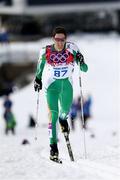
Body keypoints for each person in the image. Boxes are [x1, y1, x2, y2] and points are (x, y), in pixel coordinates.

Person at [34, 26, 88, 162]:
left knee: (64, 113)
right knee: (53, 115)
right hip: (51, 86)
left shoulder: (72, 49)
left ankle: (64, 120)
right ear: (53, 39)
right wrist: (38, 80)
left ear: (66, 39)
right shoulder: (45, 51)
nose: (59, 42)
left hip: (67, 87)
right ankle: (53, 148)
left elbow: (84, 69)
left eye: (62, 39)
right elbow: (39, 70)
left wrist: (81, 60)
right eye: (57, 39)